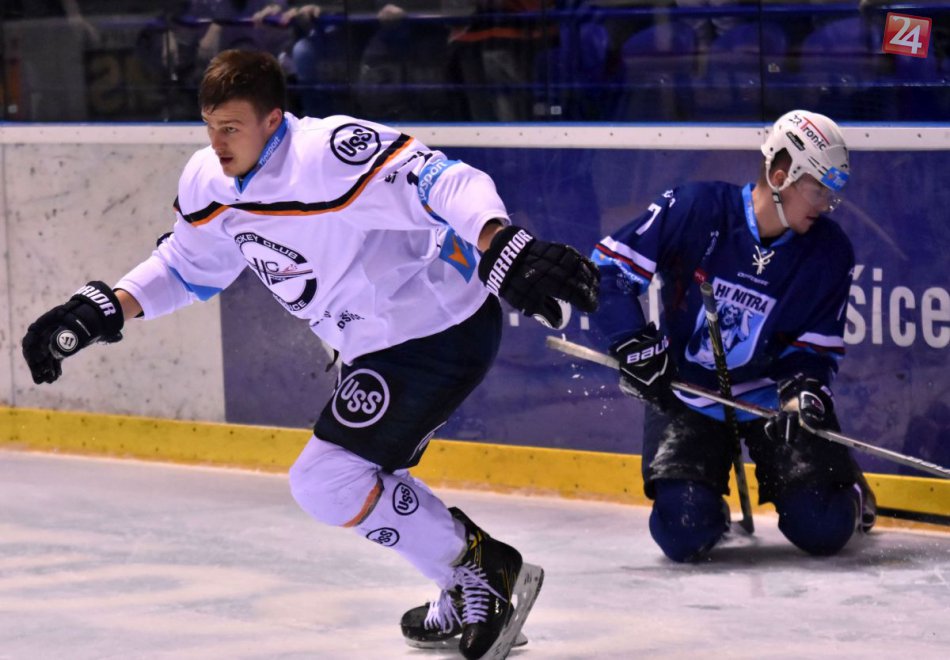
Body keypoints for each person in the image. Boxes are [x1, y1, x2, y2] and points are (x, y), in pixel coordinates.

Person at [21, 49, 599, 657]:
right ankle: (465, 578)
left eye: (231, 128)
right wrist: (103, 310)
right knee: (361, 477)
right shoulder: (207, 180)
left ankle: (482, 570)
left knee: (327, 480)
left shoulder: (328, 152)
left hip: (437, 330)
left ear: (273, 119)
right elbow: (188, 266)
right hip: (373, 348)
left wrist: (498, 239)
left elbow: (443, 180)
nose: (218, 144)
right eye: (210, 127)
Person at [590, 109, 876, 563]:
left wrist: (803, 394)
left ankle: (851, 488)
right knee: (682, 533)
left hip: (769, 399)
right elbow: (607, 271)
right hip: (688, 391)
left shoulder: (829, 251)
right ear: (781, 177)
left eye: (831, 193)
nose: (825, 203)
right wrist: (632, 342)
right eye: (818, 189)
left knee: (823, 527)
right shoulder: (696, 208)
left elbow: (813, 350)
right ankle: (708, 508)